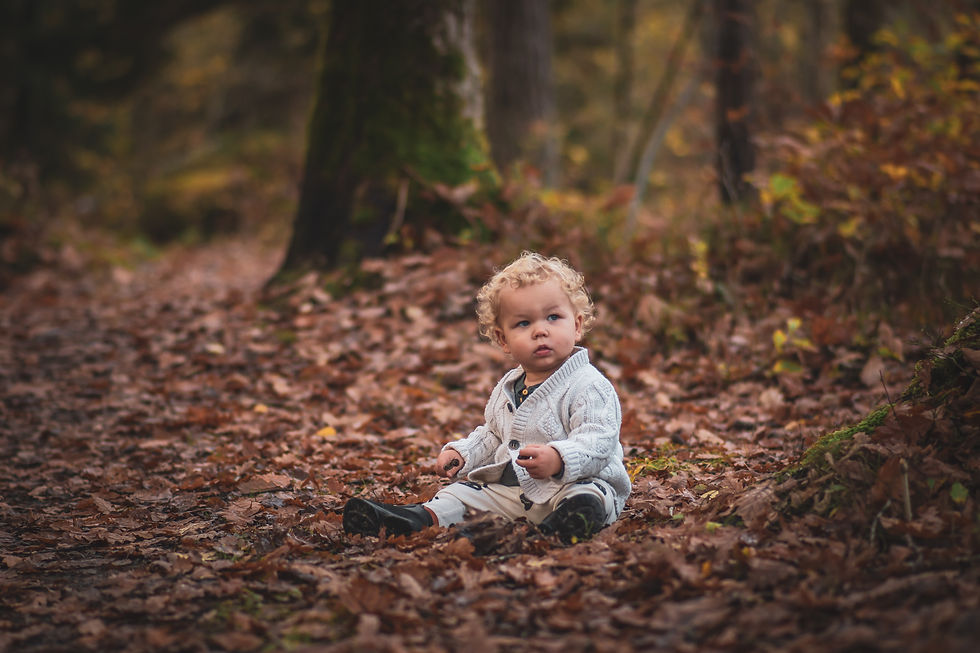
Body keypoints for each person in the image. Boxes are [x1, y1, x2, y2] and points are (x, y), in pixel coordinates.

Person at [342, 251, 630, 543]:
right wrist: (464, 453)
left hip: (573, 485)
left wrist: (559, 458)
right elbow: (494, 435)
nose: (540, 331)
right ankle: (416, 519)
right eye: (523, 324)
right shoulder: (509, 386)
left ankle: (572, 522)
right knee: (459, 493)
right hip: (516, 493)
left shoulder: (589, 385)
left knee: (589, 494)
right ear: (503, 339)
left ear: (577, 325)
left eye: (553, 317)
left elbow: (599, 440)